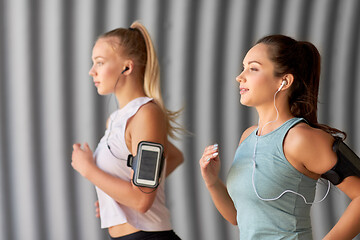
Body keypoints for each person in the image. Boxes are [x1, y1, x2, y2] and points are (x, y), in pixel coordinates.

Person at [199, 34, 360, 239]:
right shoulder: (248, 137)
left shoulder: (299, 138)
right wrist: (212, 182)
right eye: (243, 67)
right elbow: (239, 218)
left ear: (284, 81)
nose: (240, 77)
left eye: (253, 68)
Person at [71, 21, 183, 240]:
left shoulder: (146, 115)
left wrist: (87, 169)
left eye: (100, 63)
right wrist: (116, 197)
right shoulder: (116, 120)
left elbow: (142, 200)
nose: (91, 71)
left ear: (127, 67)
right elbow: (174, 156)